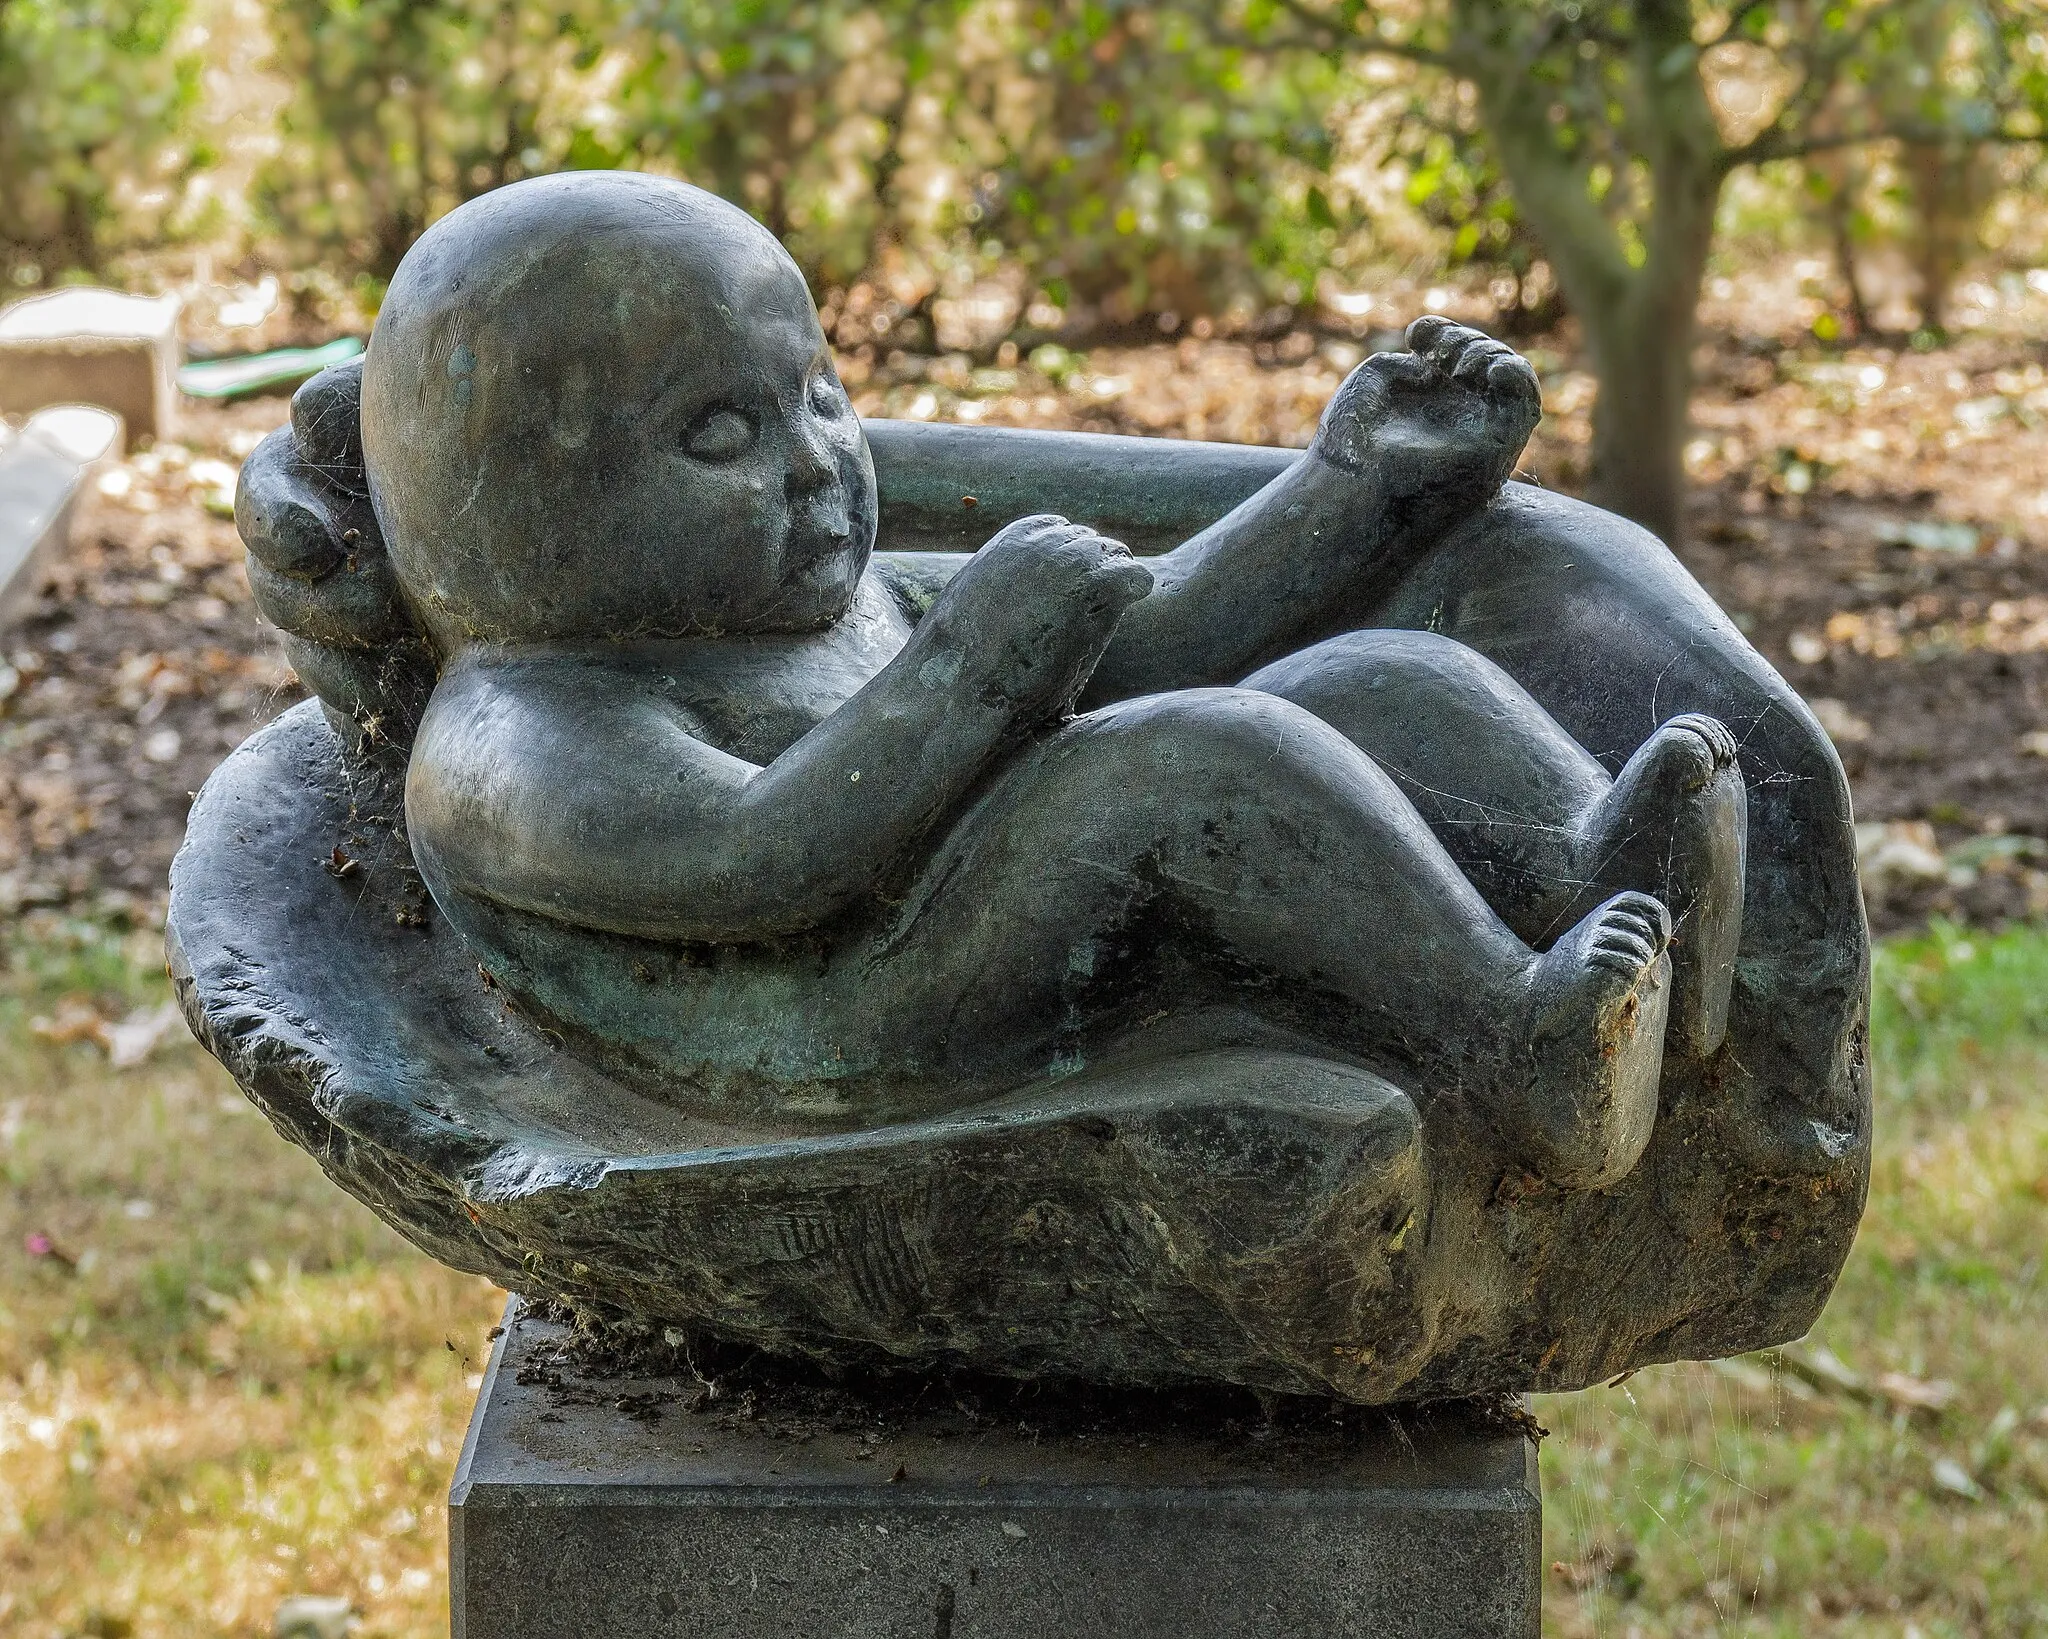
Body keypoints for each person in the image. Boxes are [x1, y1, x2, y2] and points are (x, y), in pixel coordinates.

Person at [237, 172, 1746, 1193]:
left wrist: (1347, 488)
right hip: (855, 1004)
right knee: (1185, 769)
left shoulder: (817, 608)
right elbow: (757, 855)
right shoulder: (517, 738)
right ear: (518, 518)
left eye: (818, 394)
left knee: (1376, 678)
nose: (818, 461)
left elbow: (1134, 639)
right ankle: (1519, 1038)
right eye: (719, 436)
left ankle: (1580, 860)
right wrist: (967, 673)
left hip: (940, 907)